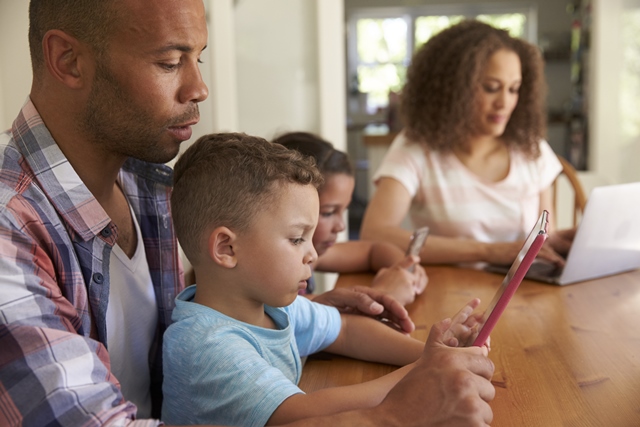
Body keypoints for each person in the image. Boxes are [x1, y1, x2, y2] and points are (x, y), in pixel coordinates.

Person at [0, 1, 495, 425]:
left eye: (199, 57)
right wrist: (394, 414)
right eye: (171, 62)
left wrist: (305, 308)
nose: (199, 88)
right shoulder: (10, 229)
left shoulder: (146, 179)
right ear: (68, 59)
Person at [162, 132, 488, 426]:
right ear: (227, 248)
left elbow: (345, 330)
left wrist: (429, 353)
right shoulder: (206, 346)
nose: (313, 255)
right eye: (296, 239)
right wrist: (426, 372)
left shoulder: (268, 307)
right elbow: (304, 413)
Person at [360, 20, 576, 267]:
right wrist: (487, 251)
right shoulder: (416, 149)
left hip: (526, 294)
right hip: (451, 295)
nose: (504, 103)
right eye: (491, 88)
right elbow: (375, 233)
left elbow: (544, 237)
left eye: (514, 89)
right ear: (453, 89)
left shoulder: (531, 148)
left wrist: (560, 242)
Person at [273, 131, 427, 305]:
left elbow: (373, 251)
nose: (340, 226)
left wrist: (403, 268)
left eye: (343, 210)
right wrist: (381, 294)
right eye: (329, 212)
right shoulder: (278, 273)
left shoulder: (311, 255)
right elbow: (310, 314)